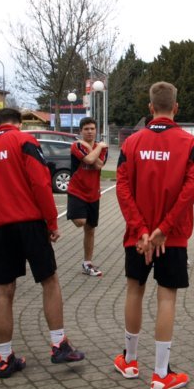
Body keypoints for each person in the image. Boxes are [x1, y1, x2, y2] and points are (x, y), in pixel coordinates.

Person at [0, 107, 84, 379]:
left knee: (4, 290)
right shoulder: (24, 141)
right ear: (17, 124)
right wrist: (51, 222)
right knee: (49, 280)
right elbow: (40, 183)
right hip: (30, 223)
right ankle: (59, 345)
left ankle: (5, 358)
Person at [115, 81, 194, 389]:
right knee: (166, 297)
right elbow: (191, 190)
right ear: (176, 108)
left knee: (134, 291)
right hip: (172, 237)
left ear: (150, 107)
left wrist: (141, 229)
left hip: (138, 238)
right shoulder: (190, 144)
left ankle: (129, 361)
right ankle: (160, 374)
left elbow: (122, 188)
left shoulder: (131, 143)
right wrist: (164, 229)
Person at [67, 117, 108, 277]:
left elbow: (98, 165)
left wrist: (94, 148)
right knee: (80, 221)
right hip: (77, 191)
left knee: (90, 229)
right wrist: (95, 147)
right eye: (86, 129)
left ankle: (87, 263)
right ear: (81, 131)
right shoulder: (77, 145)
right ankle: (72, 212)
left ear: (96, 130)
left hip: (93, 194)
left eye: (92, 129)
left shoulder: (102, 148)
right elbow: (89, 159)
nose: (90, 132)